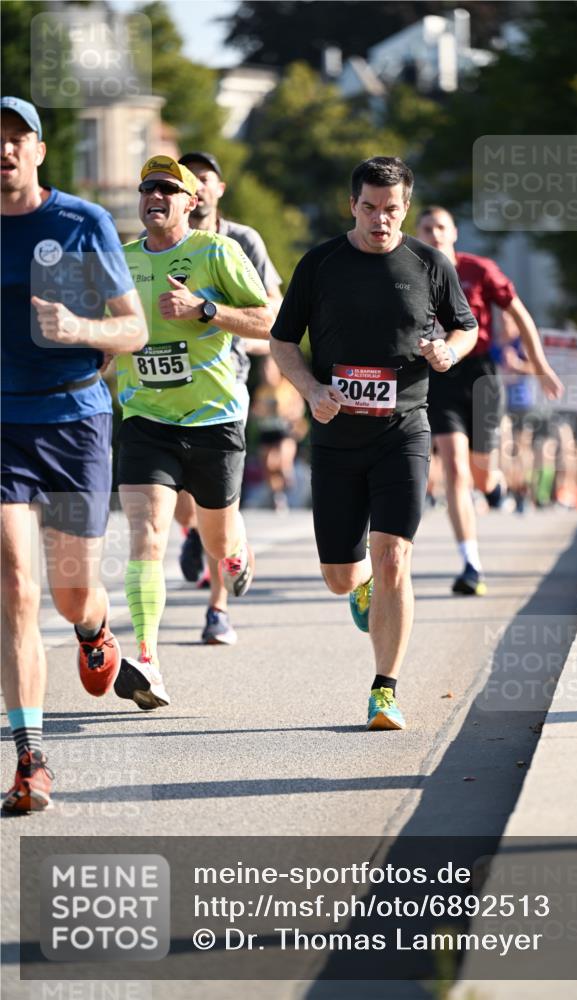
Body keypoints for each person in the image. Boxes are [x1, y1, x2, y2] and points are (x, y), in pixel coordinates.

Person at [270, 157, 478, 731]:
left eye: (391, 210)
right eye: (369, 208)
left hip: (403, 431)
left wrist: (450, 352)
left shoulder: (430, 264)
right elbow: (282, 340)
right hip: (336, 437)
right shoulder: (320, 263)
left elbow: (466, 326)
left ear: (405, 207)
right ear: (351, 205)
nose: (380, 221)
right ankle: (358, 589)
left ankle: (384, 690)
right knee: (343, 575)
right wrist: (311, 388)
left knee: (394, 558)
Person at [1, 97, 148, 813]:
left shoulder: (81, 223)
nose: (3, 151)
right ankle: (31, 758)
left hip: (73, 419)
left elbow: (134, 331)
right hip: (2, 425)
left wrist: (75, 326)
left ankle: (93, 628)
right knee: (15, 588)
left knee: (67, 593)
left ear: (38, 151)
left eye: (15, 139)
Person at [114, 155, 272, 708]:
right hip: (145, 419)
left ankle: (237, 553)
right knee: (147, 537)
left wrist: (204, 309)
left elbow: (270, 320)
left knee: (217, 541)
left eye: (167, 188)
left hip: (214, 419)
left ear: (191, 201)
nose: (154, 196)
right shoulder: (121, 259)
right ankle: (149, 662)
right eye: (147, 188)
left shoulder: (217, 252)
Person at [415, 206, 563, 595]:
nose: (434, 234)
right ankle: (470, 563)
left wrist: (540, 365)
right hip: (439, 376)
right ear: (417, 232)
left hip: (480, 374)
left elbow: (520, 314)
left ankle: (494, 486)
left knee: (481, 471)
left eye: (441, 227)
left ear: (454, 233)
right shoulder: (409, 271)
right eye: (426, 228)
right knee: (455, 472)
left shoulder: (478, 269)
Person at [173, 151, 282, 644]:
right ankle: (196, 531)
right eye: (185, 180)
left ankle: (217, 609)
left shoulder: (243, 241)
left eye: (204, 180)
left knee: (215, 496)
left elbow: (273, 309)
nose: (195, 188)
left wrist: (218, 317)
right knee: (179, 497)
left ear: (220, 189)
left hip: (225, 382)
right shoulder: (159, 241)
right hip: (166, 385)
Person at [250, 354, 307, 511]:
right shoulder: (261, 390)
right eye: (264, 368)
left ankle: (287, 477)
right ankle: (277, 496)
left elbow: (299, 406)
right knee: (268, 465)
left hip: (284, 430)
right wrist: (258, 413)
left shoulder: (286, 386)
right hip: (267, 430)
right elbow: (255, 411)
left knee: (282, 461)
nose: (266, 372)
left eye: (269, 368)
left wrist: (289, 413)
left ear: (277, 370)